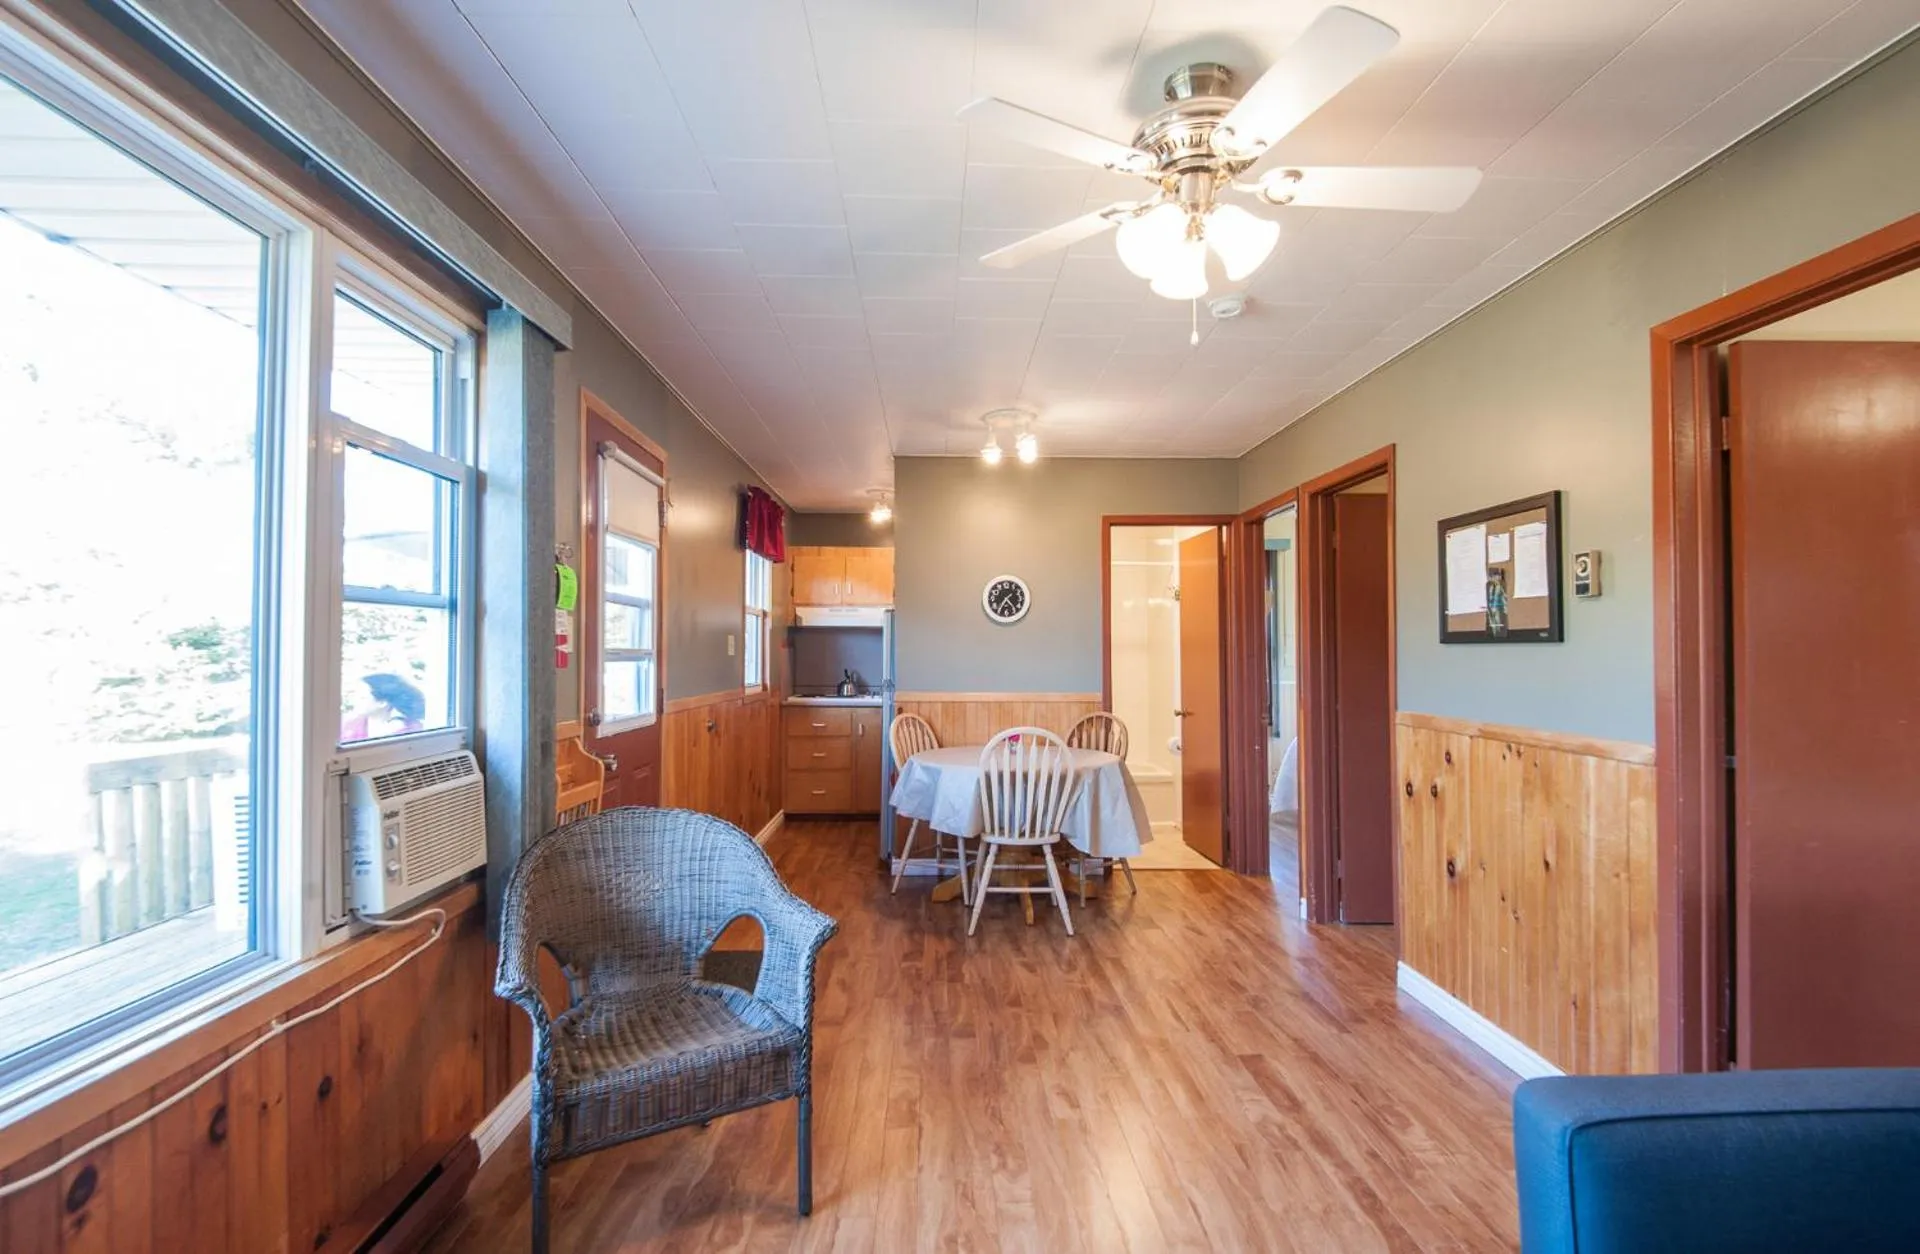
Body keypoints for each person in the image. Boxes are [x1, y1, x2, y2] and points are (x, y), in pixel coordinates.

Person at [341, 672, 426, 742]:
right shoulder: (348, 725)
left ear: (382, 702)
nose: (354, 700)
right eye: (353, 695)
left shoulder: (410, 731)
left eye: (362, 697)